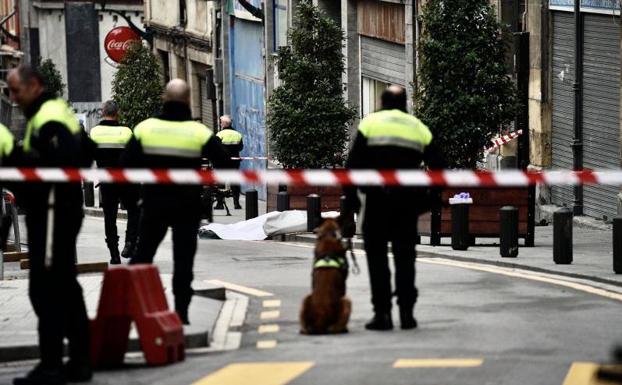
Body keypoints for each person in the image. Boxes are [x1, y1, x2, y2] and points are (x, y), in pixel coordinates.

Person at [7, 65, 94, 385]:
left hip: (54, 212)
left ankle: (52, 366)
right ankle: (79, 362)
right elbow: (86, 152)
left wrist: (20, 164)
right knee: (66, 288)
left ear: (35, 86)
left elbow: (66, 160)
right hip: (57, 210)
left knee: (46, 290)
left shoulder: (49, 117)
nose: (13, 98)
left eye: (16, 90)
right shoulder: (52, 112)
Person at [125, 79, 232, 324]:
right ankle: (181, 313)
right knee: (183, 260)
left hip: (154, 204)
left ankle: (130, 304)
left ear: (165, 98)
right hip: (187, 206)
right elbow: (225, 163)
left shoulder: (145, 128)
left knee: (143, 254)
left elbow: (126, 163)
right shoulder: (199, 132)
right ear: (187, 100)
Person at [342, 85, 444, 331]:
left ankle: (383, 315)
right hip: (406, 204)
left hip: (376, 202)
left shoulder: (370, 124)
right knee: (405, 259)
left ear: (382, 101)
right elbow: (440, 167)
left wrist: (352, 203)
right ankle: (407, 314)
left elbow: (352, 166)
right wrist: (429, 200)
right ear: (405, 103)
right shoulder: (418, 127)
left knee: (377, 260)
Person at [89, 101, 139, 264]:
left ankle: (114, 255)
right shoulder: (126, 131)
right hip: (126, 179)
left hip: (107, 180)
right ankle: (130, 243)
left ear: (102, 113)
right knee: (134, 211)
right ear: (118, 114)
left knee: (109, 217)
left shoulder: (94, 132)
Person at [215, 115, 244, 210]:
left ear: (224, 123)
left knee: (221, 183)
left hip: (222, 162)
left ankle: (220, 204)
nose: (220, 124)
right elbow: (240, 148)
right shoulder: (238, 134)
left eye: (221, 122)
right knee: (235, 183)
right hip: (234, 162)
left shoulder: (219, 135)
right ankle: (237, 204)